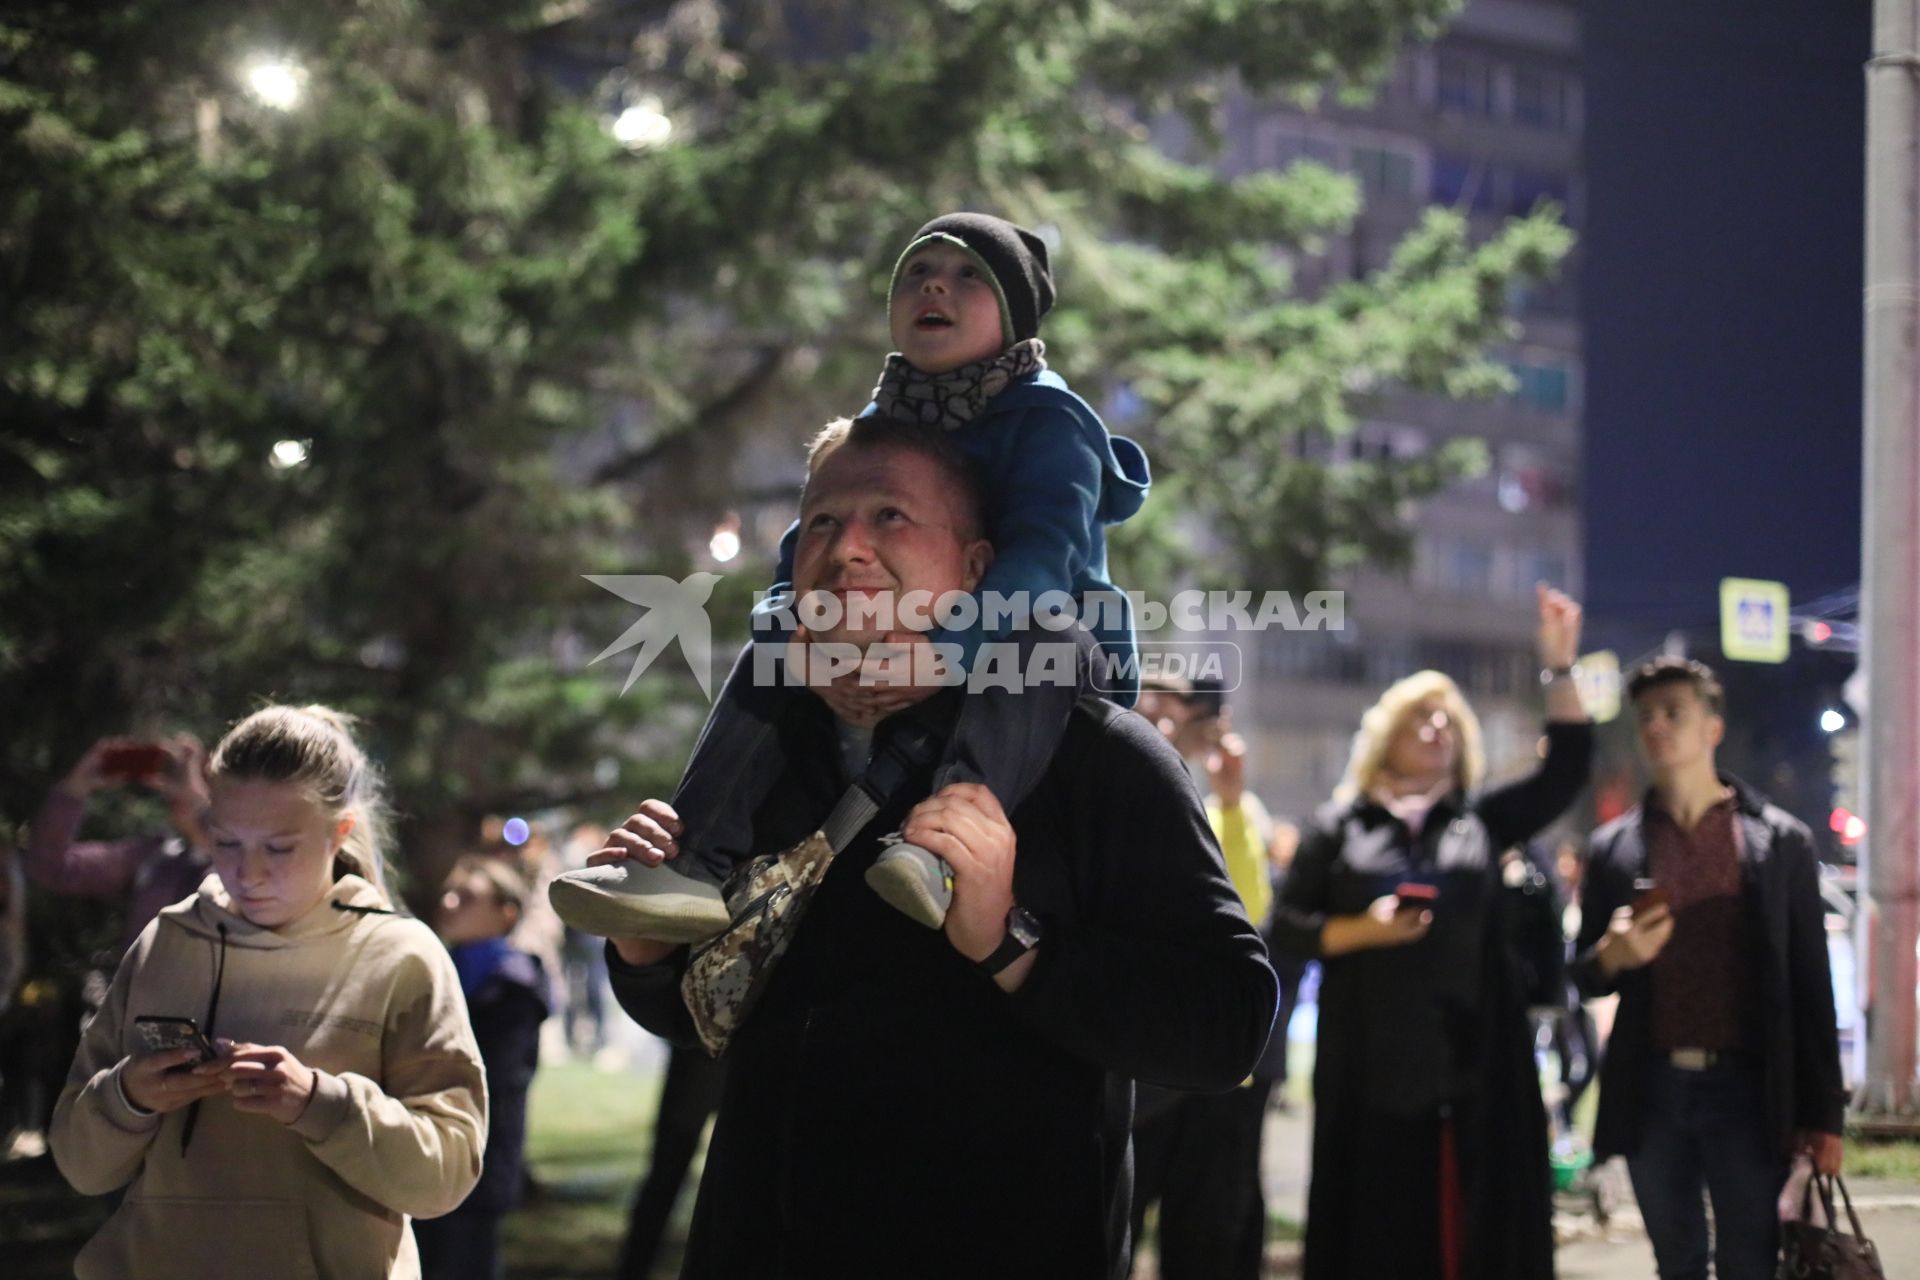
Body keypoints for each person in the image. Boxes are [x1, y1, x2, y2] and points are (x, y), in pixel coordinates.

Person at [591, 420, 1276, 1278]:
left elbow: (1228, 1022)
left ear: (978, 568)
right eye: (823, 523)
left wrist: (1011, 942)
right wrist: (647, 956)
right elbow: (710, 1020)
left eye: (890, 517)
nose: (848, 550)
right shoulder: (764, 749)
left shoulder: (1099, 755)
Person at [551, 210, 1150, 944]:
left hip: (1047, 651)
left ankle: (944, 850)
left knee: (1038, 636)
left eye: (969, 275)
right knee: (772, 650)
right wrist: (790, 626)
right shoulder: (881, 423)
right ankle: (695, 861)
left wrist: (946, 652)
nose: (936, 283)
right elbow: (806, 546)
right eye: (916, 273)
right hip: (914, 637)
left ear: (1015, 317)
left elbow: (1041, 563)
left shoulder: (1052, 422)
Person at [50, 704, 487, 1279]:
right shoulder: (168, 938)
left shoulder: (403, 956)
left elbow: (446, 1177)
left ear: (340, 833)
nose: (248, 873)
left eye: (279, 848)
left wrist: (319, 1103)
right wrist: (130, 1095)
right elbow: (81, 1166)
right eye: (226, 842)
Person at [1271, 585, 1593, 1280]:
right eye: (1422, 717)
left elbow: (1566, 772)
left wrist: (1559, 666)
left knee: (1467, 1238)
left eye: (1449, 721)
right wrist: (1361, 930)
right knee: (1376, 1237)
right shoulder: (1341, 825)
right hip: (1370, 1068)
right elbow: (1286, 929)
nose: (1437, 729)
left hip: (1471, 1070)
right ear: (1387, 734)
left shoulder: (1476, 821)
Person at [1570, 657, 1844, 1280]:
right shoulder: (1615, 847)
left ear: (1712, 728)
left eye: (1674, 713)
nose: (1658, 728)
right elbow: (1584, 973)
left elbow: (1811, 986)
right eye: (1646, 718)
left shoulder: (1777, 843)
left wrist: (1824, 1116)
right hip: (1652, 1091)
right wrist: (1611, 955)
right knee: (1678, 1263)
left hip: (1747, 1089)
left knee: (1752, 1262)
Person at [1127, 682, 1281, 1280]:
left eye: (1176, 719)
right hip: (1134, 1057)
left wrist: (1232, 794)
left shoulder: (1225, 808)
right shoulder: (1100, 789)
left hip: (1212, 1069)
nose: (1162, 731)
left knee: (1209, 1237)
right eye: (1150, 714)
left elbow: (1249, 912)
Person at [417, 855, 549, 1280]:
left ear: (505, 913)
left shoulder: (514, 984)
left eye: (468, 897)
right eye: (449, 894)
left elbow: (499, 1077)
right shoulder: (438, 969)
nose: (450, 903)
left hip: (481, 1157)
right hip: (423, 1148)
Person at [26, 734, 214, 954]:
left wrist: (200, 807)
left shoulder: (246, 860)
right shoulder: (157, 857)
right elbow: (51, 868)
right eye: (178, 776)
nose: (183, 788)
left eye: (202, 779)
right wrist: (75, 788)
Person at [615, 1043, 726, 1280]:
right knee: (668, 1169)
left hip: (707, 1048)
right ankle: (635, 1265)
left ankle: (635, 1264)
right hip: (706, 1047)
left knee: (668, 1170)